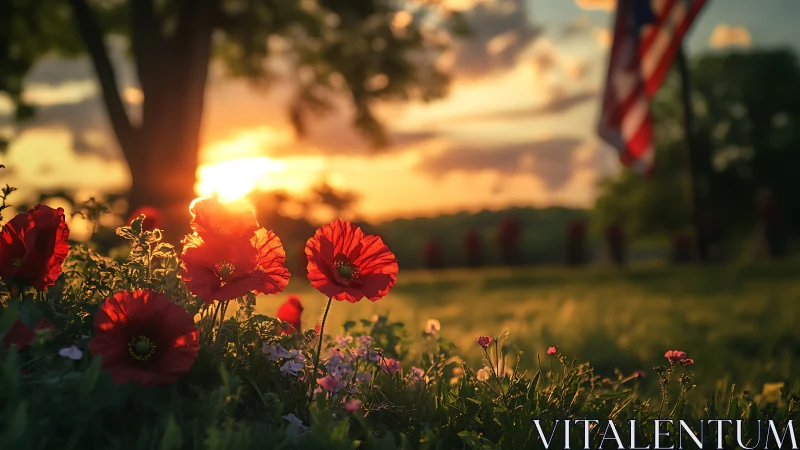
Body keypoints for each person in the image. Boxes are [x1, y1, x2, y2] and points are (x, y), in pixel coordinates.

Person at [756, 188, 787, 259]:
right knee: (772, 241)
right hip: (770, 226)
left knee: (774, 240)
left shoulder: (768, 204)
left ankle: (778, 254)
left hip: (773, 225)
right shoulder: (764, 205)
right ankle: (775, 255)